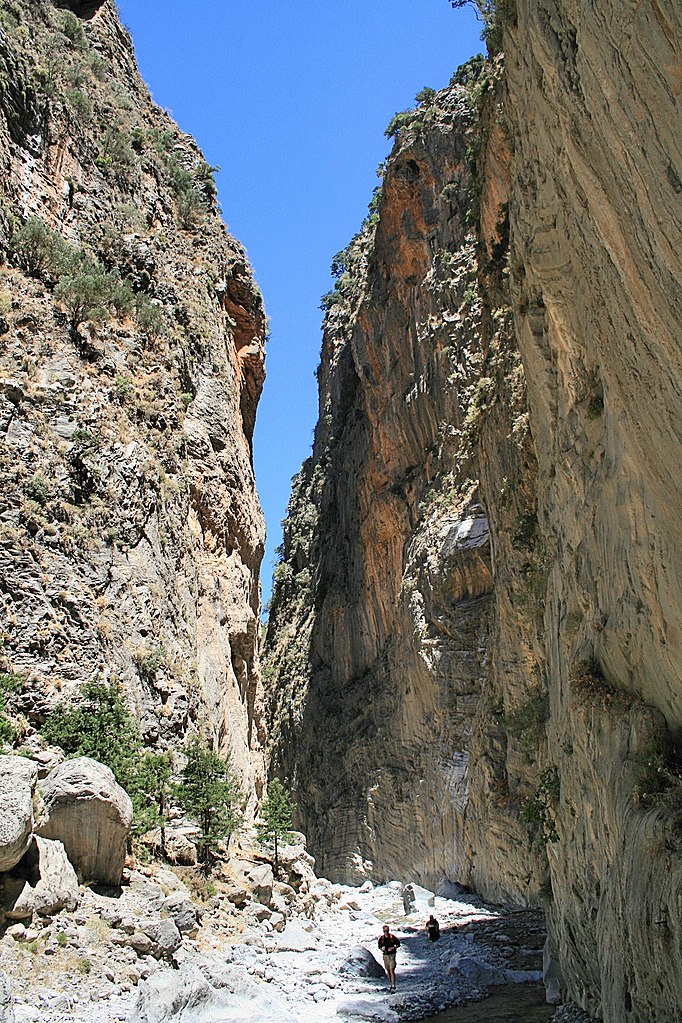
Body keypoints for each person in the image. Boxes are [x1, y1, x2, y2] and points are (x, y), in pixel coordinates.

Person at [378, 924, 400, 991]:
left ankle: (393, 985)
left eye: (387, 931)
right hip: (385, 955)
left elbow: (398, 944)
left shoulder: (392, 937)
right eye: (385, 931)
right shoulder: (381, 939)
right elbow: (379, 946)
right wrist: (382, 949)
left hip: (392, 955)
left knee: (391, 969)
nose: (386, 932)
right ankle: (391, 984)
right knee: (388, 970)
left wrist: (393, 948)